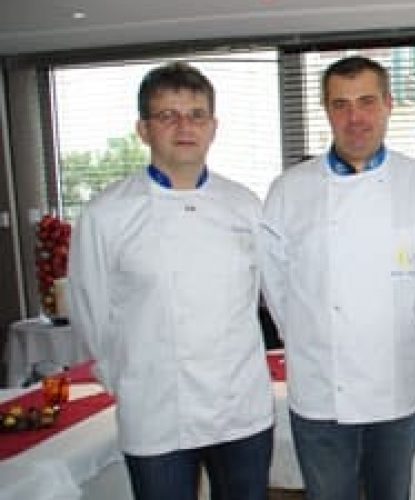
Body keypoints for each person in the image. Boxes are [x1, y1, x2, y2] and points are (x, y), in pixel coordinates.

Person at [68, 62, 274, 500]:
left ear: (213, 126)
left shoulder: (244, 205)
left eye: (196, 115)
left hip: (241, 407)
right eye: (167, 116)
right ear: (143, 129)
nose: (185, 127)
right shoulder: (106, 215)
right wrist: (131, 380)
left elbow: (270, 293)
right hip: (156, 408)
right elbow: (91, 314)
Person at [260, 56, 415, 500]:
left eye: (366, 102)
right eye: (341, 104)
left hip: (398, 384)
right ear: (326, 110)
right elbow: (274, 281)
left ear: (388, 105)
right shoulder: (290, 189)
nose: (355, 117)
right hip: (322, 388)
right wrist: (311, 335)